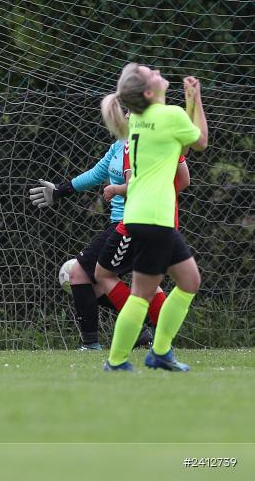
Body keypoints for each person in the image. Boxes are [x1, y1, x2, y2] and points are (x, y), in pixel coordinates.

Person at [100, 64, 207, 371]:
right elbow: (199, 141)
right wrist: (195, 100)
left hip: (143, 215)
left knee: (189, 281)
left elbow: (181, 142)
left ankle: (160, 352)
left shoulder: (137, 118)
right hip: (154, 216)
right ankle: (117, 361)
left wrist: (188, 102)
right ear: (149, 92)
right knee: (142, 294)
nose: (158, 71)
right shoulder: (168, 115)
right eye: (152, 74)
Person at [29, 137, 164, 350]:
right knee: (102, 280)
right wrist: (59, 191)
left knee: (80, 274)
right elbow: (95, 173)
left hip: (133, 222)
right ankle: (145, 332)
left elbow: (149, 184)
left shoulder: (146, 144)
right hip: (123, 223)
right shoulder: (119, 146)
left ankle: (96, 343)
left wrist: (118, 190)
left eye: (127, 109)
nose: (125, 115)